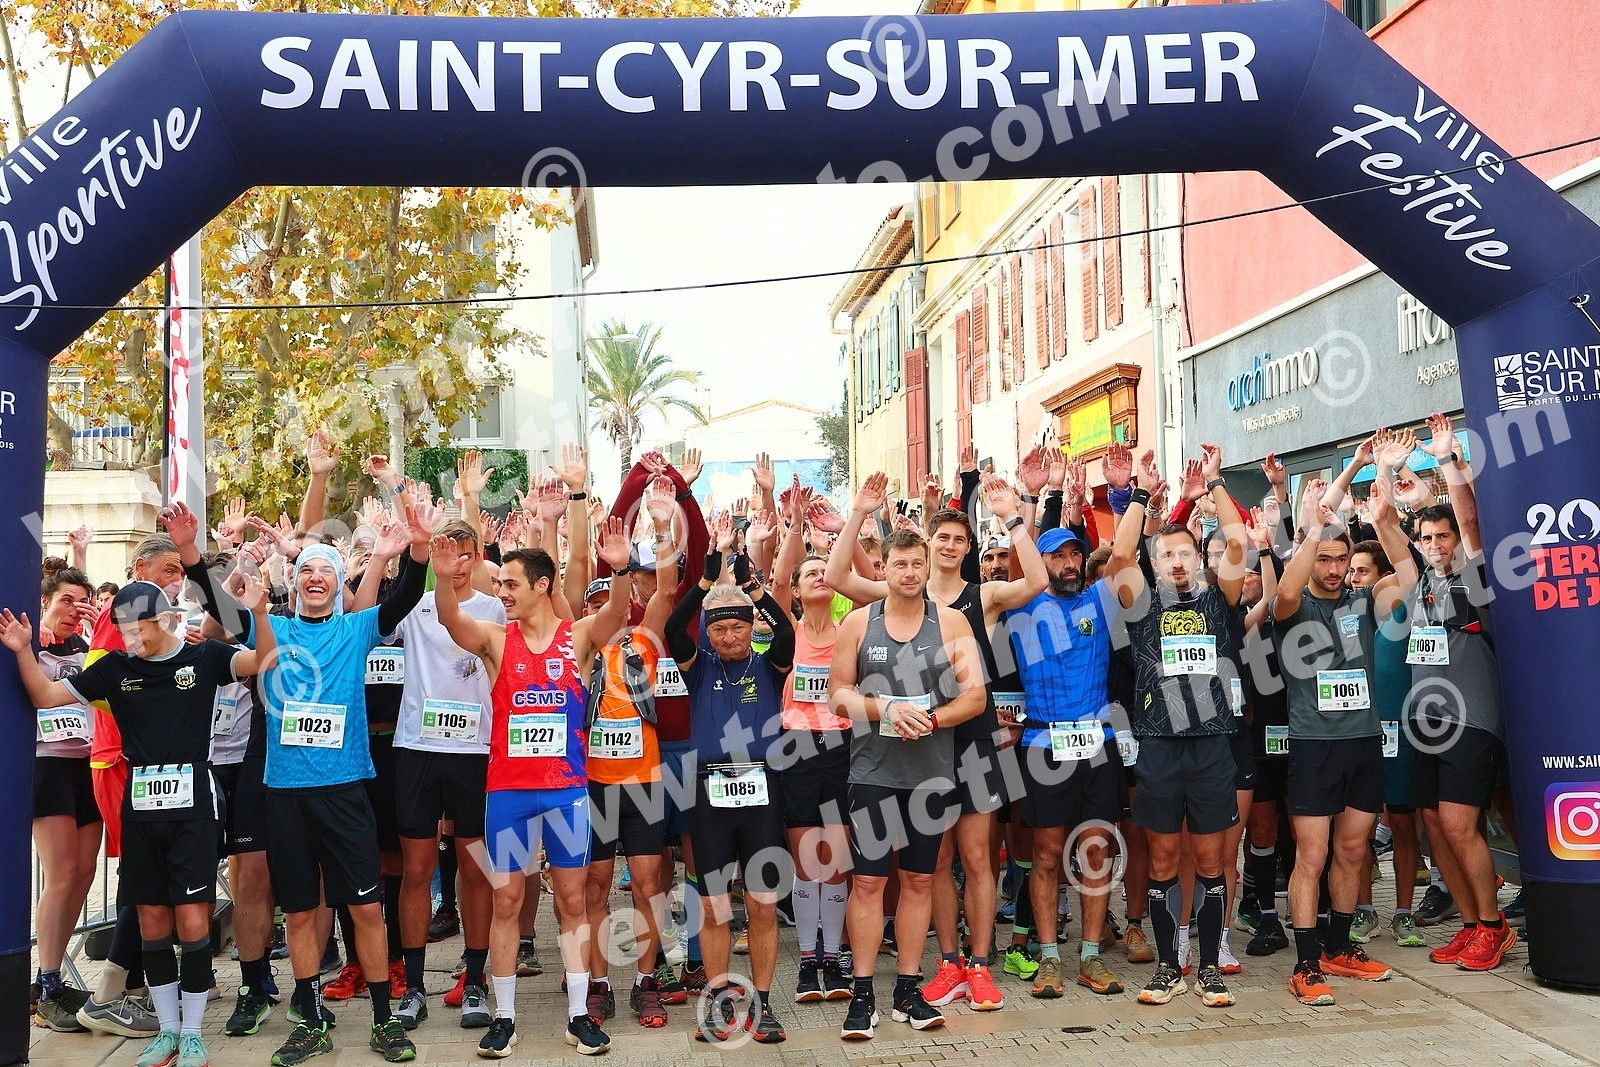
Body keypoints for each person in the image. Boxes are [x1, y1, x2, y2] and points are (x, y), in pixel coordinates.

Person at [174, 483, 433, 1066]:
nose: (316, 578)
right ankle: (310, 1019)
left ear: (339, 584)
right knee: (297, 912)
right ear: (294, 582)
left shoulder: (357, 629)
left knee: (365, 909)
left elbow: (407, 596)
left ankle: (384, 1020)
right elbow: (218, 603)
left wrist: (415, 548)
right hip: (285, 794)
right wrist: (190, 550)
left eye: (327, 571)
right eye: (307, 570)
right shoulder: (273, 629)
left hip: (344, 790)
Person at [3, 575, 275, 1067]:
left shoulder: (204, 657)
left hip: (193, 807)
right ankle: (167, 1031)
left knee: (191, 919)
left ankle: (193, 1033)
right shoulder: (114, 668)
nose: (130, 640)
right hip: (141, 807)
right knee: (151, 920)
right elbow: (45, 696)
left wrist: (258, 612)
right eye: (123, 630)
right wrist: (23, 649)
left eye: (137, 630)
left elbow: (263, 660)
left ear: (164, 619)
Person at [828, 466, 1046, 1012]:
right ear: (923, 546)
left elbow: (1036, 583)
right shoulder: (895, 590)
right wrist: (860, 513)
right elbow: (836, 578)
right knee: (931, 862)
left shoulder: (980, 596)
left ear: (967, 548)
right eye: (939, 537)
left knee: (976, 856)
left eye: (957, 539)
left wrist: (1013, 517)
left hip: (966, 736)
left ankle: (978, 965)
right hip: (905, 746)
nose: (948, 546)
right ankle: (946, 963)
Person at [428, 502, 630, 1058]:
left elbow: (617, 614)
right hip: (509, 794)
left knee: (572, 898)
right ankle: (505, 1018)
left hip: (565, 794)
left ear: (543, 585)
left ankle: (579, 1016)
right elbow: (451, 620)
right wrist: (444, 577)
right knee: (507, 902)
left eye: (511, 584)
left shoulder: (577, 637)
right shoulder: (497, 640)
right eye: (500, 584)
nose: (503, 593)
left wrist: (619, 569)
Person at [828, 527, 987, 1041]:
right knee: (869, 882)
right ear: (884, 568)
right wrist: (887, 709)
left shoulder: (952, 621)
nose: (911, 573)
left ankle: (907, 988)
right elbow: (837, 695)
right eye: (900, 564)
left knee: (919, 881)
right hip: (873, 773)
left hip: (930, 775)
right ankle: (862, 992)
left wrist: (932, 720)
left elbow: (976, 697)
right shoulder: (859, 622)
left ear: (927, 566)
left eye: (918, 564)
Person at [1104, 445, 1248, 1009]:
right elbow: (1119, 555)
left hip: (1211, 746)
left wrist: (1214, 484)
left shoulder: (1217, 601)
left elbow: (1237, 544)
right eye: (1167, 555)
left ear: (1198, 559)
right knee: (1163, 861)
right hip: (1159, 748)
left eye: (1186, 552)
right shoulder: (1141, 607)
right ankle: (1169, 967)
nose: (1178, 562)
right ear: (1156, 564)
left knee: (1212, 863)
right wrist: (1139, 495)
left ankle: (1209, 968)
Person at [1270, 469, 1410, 1005]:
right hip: (1313, 746)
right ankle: (1305, 964)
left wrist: (1385, 521)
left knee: (1352, 851)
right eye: (1324, 560)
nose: (1332, 570)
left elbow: (1408, 576)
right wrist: (1312, 529)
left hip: (1363, 743)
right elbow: (1285, 591)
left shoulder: (1363, 601)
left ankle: (1338, 947)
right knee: (1312, 856)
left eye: (1340, 560)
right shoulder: (1295, 609)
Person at [663, 514, 796, 1045]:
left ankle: (762, 1003)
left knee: (761, 904)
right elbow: (674, 629)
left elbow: (786, 632)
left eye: (737, 627)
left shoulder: (768, 664)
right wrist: (704, 581)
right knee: (715, 904)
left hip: (762, 791)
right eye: (718, 629)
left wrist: (753, 590)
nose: (728, 636)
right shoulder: (698, 667)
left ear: (749, 627)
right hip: (709, 792)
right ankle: (718, 1000)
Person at [1395, 416, 1514, 972]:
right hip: (1427, 723)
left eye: (1442, 537)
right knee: (1437, 826)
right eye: (1427, 538)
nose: (1435, 545)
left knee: (1460, 822)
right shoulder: (1419, 583)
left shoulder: (1473, 576)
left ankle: (1494, 926)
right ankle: (1470, 925)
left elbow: (1468, 519)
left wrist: (1446, 459)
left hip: (1472, 719)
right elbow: (1385, 525)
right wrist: (1389, 473)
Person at [388, 519, 505, 1033]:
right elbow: (366, 614)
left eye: (462, 554)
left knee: (474, 868)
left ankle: (475, 979)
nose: (453, 563)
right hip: (417, 748)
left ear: (476, 557)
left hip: (474, 751)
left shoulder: (494, 608)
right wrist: (410, 557)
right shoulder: (414, 604)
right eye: (444, 553)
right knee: (416, 870)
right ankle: (414, 987)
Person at [582, 477, 679, 1029]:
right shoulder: (582, 651)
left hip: (643, 784)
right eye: (598, 606)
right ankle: (598, 983)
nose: (610, 613)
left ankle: (646, 981)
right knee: (594, 887)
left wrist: (662, 527)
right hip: (594, 785)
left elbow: (666, 592)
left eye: (615, 605)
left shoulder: (644, 640)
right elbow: (568, 581)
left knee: (647, 885)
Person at [768, 481, 853, 1005]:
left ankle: (835, 956)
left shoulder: (852, 628)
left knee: (836, 858)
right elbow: (776, 580)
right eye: (810, 574)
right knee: (806, 860)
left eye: (826, 571)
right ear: (798, 592)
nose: (820, 576)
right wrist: (796, 526)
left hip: (843, 746)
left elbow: (867, 581)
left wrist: (844, 532)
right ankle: (807, 960)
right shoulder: (789, 632)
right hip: (798, 746)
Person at [27, 567, 101, 1032]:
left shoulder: (85, 647)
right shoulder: (28, 643)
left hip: (87, 764)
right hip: (48, 765)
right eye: (66, 600)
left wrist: (98, 639)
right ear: (45, 601)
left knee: (84, 874)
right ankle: (48, 981)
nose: (74, 610)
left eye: (82, 601)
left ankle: (48, 980)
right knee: (62, 873)